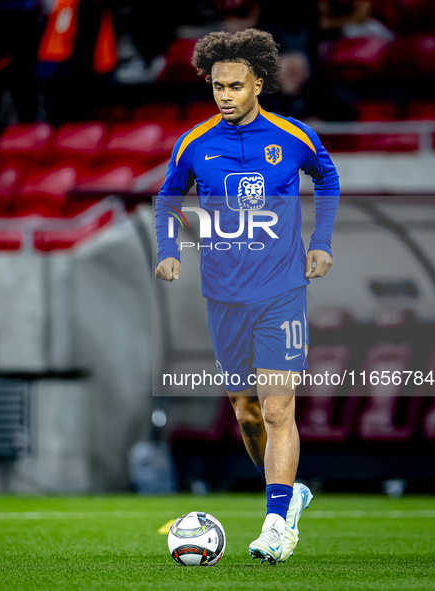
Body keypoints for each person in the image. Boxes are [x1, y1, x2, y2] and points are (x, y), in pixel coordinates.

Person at [155, 29, 340, 564]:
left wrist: (322, 243)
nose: (225, 96)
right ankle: (289, 492)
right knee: (247, 414)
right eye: (217, 87)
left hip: (281, 292)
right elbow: (168, 199)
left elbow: (326, 179)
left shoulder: (293, 136)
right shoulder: (193, 144)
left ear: (258, 83)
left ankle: (278, 523)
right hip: (224, 298)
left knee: (279, 408)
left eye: (236, 86)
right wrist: (169, 249)